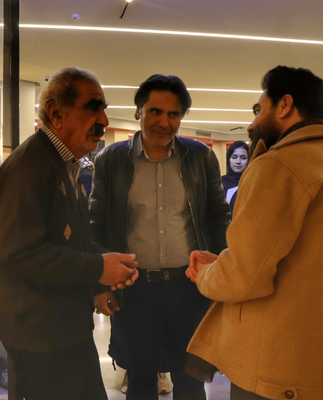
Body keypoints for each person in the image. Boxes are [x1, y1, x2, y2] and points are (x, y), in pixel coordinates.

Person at [186, 65, 323, 400]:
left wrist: (206, 274)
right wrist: (225, 263)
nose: (251, 124)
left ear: (284, 105)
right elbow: (302, 261)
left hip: (275, 368)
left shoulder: (278, 165)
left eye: (258, 110)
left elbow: (244, 276)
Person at [0, 67, 139, 400]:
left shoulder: (64, 164)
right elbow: (17, 254)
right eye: (93, 107)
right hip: (42, 337)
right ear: (56, 115)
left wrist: (101, 275)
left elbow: (69, 241)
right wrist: (98, 268)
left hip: (64, 330)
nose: (104, 119)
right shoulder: (29, 167)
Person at [90, 74, 230, 400]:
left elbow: (219, 217)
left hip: (189, 288)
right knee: (140, 382)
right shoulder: (112, 160)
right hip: (134, 290)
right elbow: (96, 224)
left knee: (191, 382)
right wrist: (99, 284)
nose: (164, 122)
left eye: (173, 114)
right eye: (155, 111)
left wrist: (223, 273)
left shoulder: (200, 157)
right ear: (138, 111)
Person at [222, 141, 250, 212]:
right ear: (229, 159)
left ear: (249, 160)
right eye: (234, 157)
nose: (238, 162)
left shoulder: (251, 183)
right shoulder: (219, 182)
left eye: (243, 158)